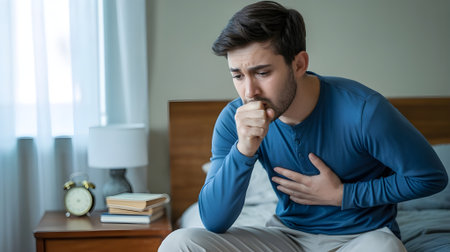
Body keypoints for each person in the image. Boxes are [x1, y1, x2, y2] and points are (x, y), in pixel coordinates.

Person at [159, 1, 448, 251]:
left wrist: (343, 195)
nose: (249, 91)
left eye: (262, 73)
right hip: (287, 237)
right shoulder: (234, 119)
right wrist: (244, 149)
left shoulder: (363, 111)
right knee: (179, 243)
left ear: (299, 64)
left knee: (386, 248)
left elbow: (430, 177)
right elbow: (214, 220)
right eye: (237, 75)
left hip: (362, 238)